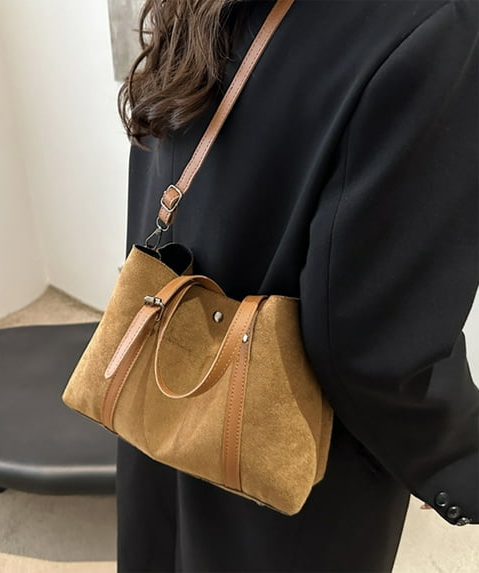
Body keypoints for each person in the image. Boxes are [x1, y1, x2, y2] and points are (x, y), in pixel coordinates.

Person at [114, 0, 479, 571]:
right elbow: (375, 344)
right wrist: (455, 458)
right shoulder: (435, 24)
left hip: (158, 374)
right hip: (288, 453)